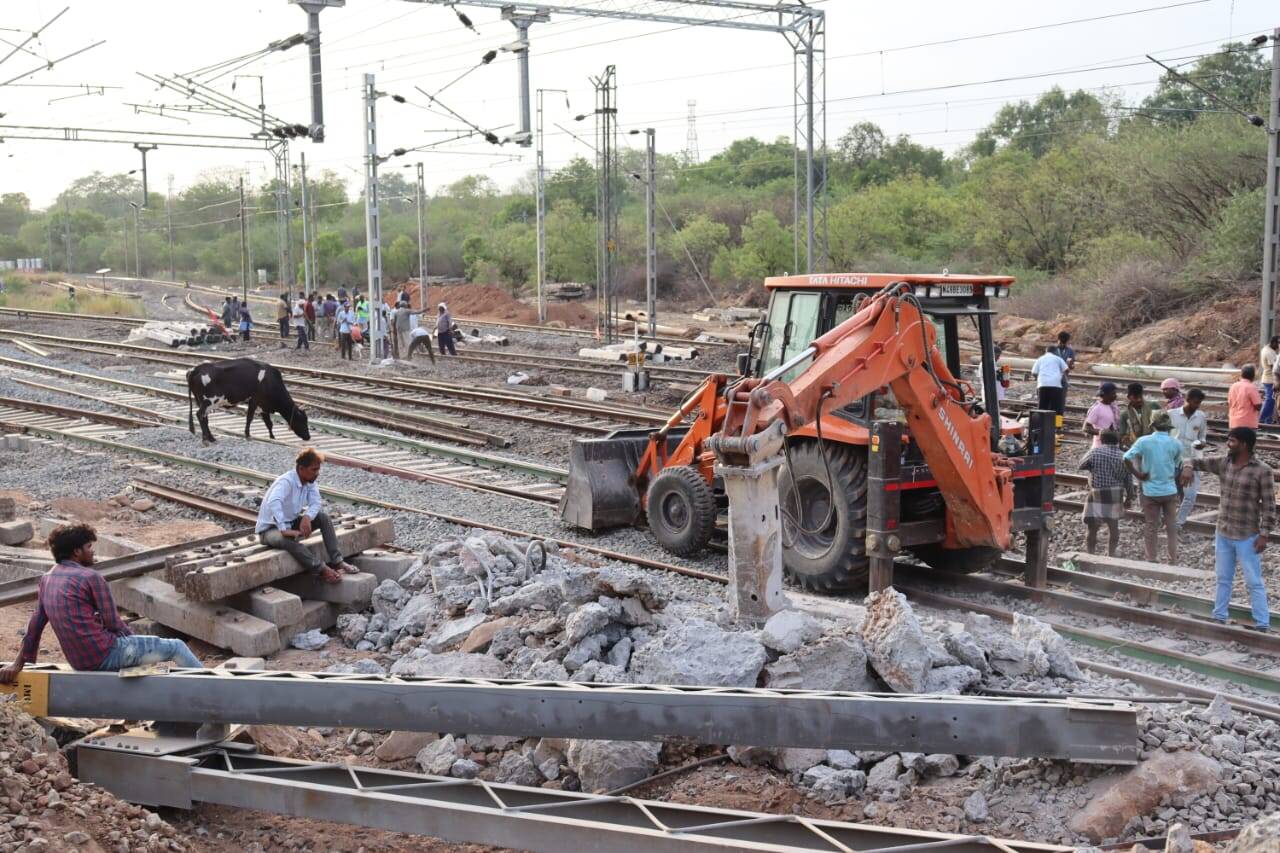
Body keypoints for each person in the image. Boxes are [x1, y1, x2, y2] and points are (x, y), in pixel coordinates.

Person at [0, 524, 203, 684]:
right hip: (104, 654)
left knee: (144, 665)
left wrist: (18, 664)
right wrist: (134, 646)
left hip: (79, 661)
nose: (93, 551)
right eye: (89, 547)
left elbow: (34, 627)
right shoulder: (90, 577)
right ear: (76, 552)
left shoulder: (47, 579)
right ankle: (213, 692)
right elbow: (114, 623)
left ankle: (138, 710)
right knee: (176, 647)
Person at [1180, 427, 1274, 630]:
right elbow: (1193, 460)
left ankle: (1262, 623)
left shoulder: (1262, 470)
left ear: (1244, 445)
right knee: (1223, 578)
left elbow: (1269, 506)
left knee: (1253, 581)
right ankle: (1219, 616)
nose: (1228, 444)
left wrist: (1264, 534)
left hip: (1247, 535)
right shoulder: (1224, 463)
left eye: (1232, 441)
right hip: (1223, 531)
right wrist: (1187, 467)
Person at [257, 448, 359, 584]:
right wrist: (283, 529)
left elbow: (316, 503)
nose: (317, 473)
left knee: (323, 518)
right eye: (314, 470)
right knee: (287, 541)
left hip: (291, 522)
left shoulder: (309, 482)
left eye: (318, 470)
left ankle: (338, 561)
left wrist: (307, 517)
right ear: (301, 469)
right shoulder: (286, 481)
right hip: (269, 530)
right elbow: (274, 501)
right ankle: (322, 569)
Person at [1123, 411, 1183, 563]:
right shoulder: (1176, 443)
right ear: (1168, 427)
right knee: (1171, 526)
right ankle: (1172, 559)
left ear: (1153, 425)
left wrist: (1138, 474)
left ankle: (1151, 558)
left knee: (1151, 525)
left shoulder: (1143, 441)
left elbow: (1126, 458)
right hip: (1169, 490)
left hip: (1150, 491)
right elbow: (1178, 466)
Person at [1079, 430, 1133, 556]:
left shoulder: (1095, 452)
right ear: (1117, 441)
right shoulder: (1124, 456)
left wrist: (1093, 467)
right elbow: (1128, 480)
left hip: (1097, 492)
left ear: (1102, 440)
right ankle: (1111, 554)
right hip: (1116, 493)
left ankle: (1091, 554)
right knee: (1113, 527)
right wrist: (1129, 497)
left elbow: (1081, 465)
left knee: (1092, 527)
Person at [1170, 388, 1208, 530]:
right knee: (1171, 493)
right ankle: (1168, 519)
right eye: (1195, 402)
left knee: (1190, 495)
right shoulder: (1171, 414)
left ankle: (1178, 523)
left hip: (1192, 460)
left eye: (1199, 403)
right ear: (1188, 400)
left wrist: (1202, 443)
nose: (1197, 406)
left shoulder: (1201, 416)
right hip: (1172, 460)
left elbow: (1202, 436)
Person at [1117, 383, 1161, 449]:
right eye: (1136, 398)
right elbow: (1123, 436)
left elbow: (1164, 424)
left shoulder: (1153, 406)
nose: (1139, 400)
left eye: (1140, 397)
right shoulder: (1125, 415)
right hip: (1136, 448)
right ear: (1128, 397)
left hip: (1155, 445)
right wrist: (1135, 447)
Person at [1030, 346, 1068, 415]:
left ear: (1046, 351)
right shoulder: (1058, 358)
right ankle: (1054, 421)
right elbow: (1066, 369)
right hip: (1056, 385)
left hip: (1042, 385)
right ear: (1055, 351)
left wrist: (1039, 379)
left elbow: (1034, 372)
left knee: (1042, 406)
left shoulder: (1040, 359)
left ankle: (1041, 420)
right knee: (1055, 407)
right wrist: (1062, 376)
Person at [1084, 382, 1121, 448]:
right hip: (1100, 446)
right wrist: (1104, 433)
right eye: (1113, 393)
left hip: (1114, 446)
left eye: (1115, 393)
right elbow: (1086, 428)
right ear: (1105, 395)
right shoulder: (1097, 408)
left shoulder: (1114, 407)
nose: (1115, 396)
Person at [1229, 364, 1263, 429]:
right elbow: (1258, 406)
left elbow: (1230, 402)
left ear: (1241, 374)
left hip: (1233, 422)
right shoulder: (1251, 387)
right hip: (1248, 423)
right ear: (1253, 376)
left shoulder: (1233, 386)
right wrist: (1259, 397)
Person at [1261, 336, 1279, 424]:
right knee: (1270, 400)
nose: (1279, 346)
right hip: (1270, 379)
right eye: (1278, 344)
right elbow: (1274, 368)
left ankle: (1267, 421)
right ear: (1274, 343)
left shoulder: (1266, 349)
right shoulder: (1270, 352)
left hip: (1268, 378)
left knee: (1270, 400)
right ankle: (1261, 419)